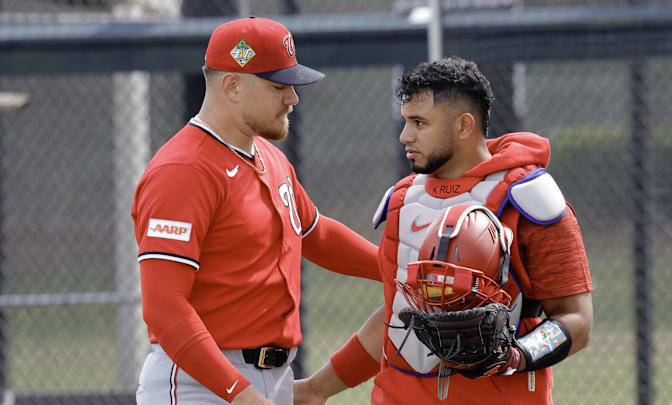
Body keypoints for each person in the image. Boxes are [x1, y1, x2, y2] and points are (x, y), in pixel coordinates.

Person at [293, 56, 593, 404]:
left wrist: (517, 355)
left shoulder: (529, 200)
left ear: (464, 126)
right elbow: (396, 319)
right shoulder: (403, 201)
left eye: (420, 123)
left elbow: (577, 320)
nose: (405, 135)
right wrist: (317, 389)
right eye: (406, 121)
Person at [131, 17, 381, 405]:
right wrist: (240, 394)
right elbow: (165, 308)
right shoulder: (183, 171)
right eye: (278, 86)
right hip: (202, 385)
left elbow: (316, 234)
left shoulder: (267, 155)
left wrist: (395, 269)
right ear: (232, 85)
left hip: (273, 380)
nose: (293, 98)